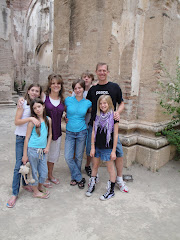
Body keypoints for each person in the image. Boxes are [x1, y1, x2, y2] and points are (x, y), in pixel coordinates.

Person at [86, 62, 129, 193]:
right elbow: (86, 104)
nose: (102, 73)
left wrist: (118, 112)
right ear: (96, 72)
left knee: (118, 153)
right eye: (99, 70)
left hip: (110, 128)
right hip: (95, 126)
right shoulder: (93, 89)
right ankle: (94, 176)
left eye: (104, 70)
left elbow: (121, 103)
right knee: (93, 153)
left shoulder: (114, 87)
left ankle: (120, 179)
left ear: (108, 72)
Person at [6, 84, 42, 208]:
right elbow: (17, 121)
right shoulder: (23, 103)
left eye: (37, 91)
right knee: (18, 165)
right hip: (21, 138)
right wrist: (30, 119)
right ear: (28, 91)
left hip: (31, 139)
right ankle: (14, 193)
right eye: (32, 90)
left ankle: (25, 184)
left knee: (27, 162)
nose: (34, 92)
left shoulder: (36, 105)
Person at [86, 95, 118, 200]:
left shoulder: (114, 116)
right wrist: (92, 147)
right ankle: (92, 184)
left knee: (110, 168)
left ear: (109, 104)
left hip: (108, 147)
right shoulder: (97, 116)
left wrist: (113, 151)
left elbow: (116, 135)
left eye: (105, 103)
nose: (102, 105)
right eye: (100, 103)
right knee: (95, 166)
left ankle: (111, 191)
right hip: (98, 146)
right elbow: (94, 132)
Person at [22, 98, 52, 199]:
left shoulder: (48, 120)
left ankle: (39, 187)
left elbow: (50, 134)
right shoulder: (32, 122)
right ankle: (35, 192)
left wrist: (47, 146)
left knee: (44, 172)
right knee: (33, 171)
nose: (37, 109)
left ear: (43, 106)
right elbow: (27, 138)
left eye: (39, 106)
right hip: (32, 149)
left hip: (43, 150)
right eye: (34, 108)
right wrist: (25, 155)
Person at [64, 79, 92, 189]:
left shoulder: (88, 102)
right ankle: (79, 178)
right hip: (70, 132)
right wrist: (63, 117)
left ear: (83, 89)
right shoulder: (68, 100)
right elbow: (63, 112)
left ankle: (74, 177)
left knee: (79, 157)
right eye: (75, 88)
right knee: (68, 157)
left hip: (82, 132)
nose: (77, 90)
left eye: (79, 88)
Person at [42, 74, 65, 188]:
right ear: (50, 85)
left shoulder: (62, 99)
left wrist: (66, 117)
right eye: (53, 83)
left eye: (58, 83)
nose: (56, 85)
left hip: (57, 131)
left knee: (53, 156)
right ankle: (44, 177)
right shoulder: (44, 97)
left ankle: (50, 175)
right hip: (45, 133)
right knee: (44, 156)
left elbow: (63, 113)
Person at [72, 71, 95, 176]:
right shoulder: (76, 91)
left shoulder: (94, 90)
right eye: (84, 77)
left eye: (88, 77)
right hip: (78, 124)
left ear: (91, 79)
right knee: (76, 147)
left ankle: (87, 165)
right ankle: (75, 166)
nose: (86, 79)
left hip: (89, 123)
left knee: (89, 147)